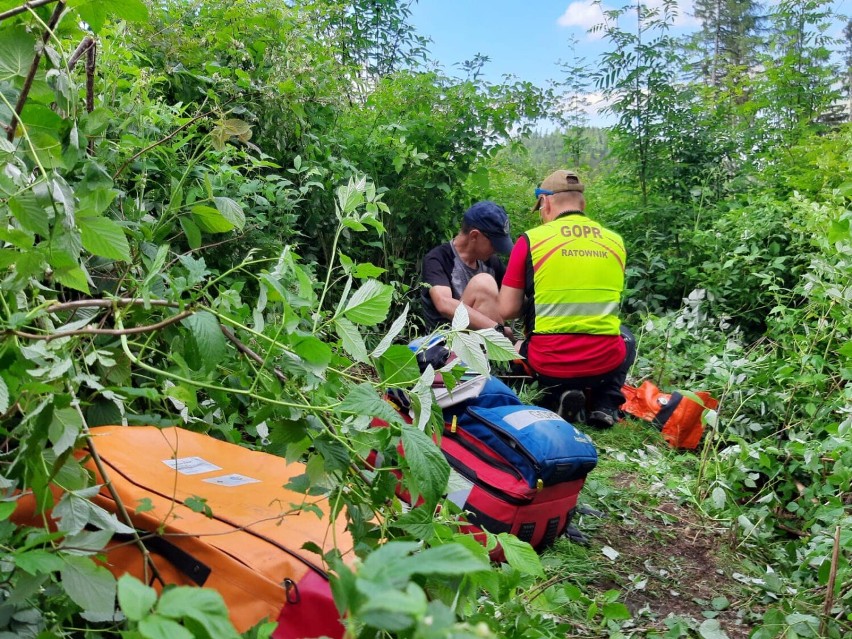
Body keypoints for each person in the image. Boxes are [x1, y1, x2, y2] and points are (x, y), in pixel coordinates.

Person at [497, 170, 636, 428]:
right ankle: (605, 403)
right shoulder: (616, 242)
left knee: (518, 346)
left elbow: (507, 309)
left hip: (548, 363)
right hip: (604, 362)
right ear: (582, 203)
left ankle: (553, 397)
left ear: (546, 202)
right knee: (626, 335)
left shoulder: (531, 240)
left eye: (540, 209)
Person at [420, 201, 515, 338]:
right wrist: (498, 330)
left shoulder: (491, 262)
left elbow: (514, 296)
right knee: (483, 283)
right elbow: (444, 303)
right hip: (446, 344)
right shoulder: (438, 259)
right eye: (494, 244)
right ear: (474, 236)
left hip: (482, 342)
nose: (497, 250)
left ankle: (498, 355)